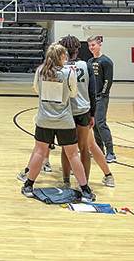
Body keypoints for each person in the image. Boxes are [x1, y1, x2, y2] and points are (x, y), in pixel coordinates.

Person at [21, 43, 95, 203]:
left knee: (39, 152)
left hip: (44, 119)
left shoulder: (40, 71)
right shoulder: (68, 72)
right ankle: (85, 190)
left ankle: (28, 185)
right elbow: (74, 93)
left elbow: (36, 89)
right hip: (64, 120)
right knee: (73, 154)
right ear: (62, 57)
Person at [58, 35, 115, 188]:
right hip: (84, 110)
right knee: (86, 146)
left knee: (68, 148)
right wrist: (92, 114)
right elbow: (92, 91)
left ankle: (66, 181)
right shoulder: (86, 64)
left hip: (67, 111)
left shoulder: (60, 67)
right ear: (78, 50)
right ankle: (88, 181)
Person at [87, 35, 116, 163]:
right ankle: (99, 150)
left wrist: (102, 94)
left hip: (101, 97)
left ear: (99, 45)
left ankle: (111, 152)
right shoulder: (89, 62)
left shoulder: (106, 62)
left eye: (93, 45)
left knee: (101, 123)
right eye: (89, 45)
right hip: (91, 98)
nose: (91, 47)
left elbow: (108, 81)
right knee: (94, 125)